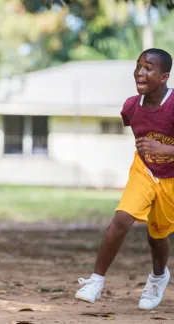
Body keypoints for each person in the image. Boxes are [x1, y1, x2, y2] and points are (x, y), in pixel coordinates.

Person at [75, 48, 173, 311]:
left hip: (172, 180)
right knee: (122, 219)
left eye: (148, 68)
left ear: (164, 77)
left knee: (157, 236)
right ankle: (96, 281)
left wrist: (167, 150)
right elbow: (139, 134)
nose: (140, 72)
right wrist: (150, 156)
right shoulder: (131, 106)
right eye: (138, 66)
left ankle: (158, 277)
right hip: (144, 171)